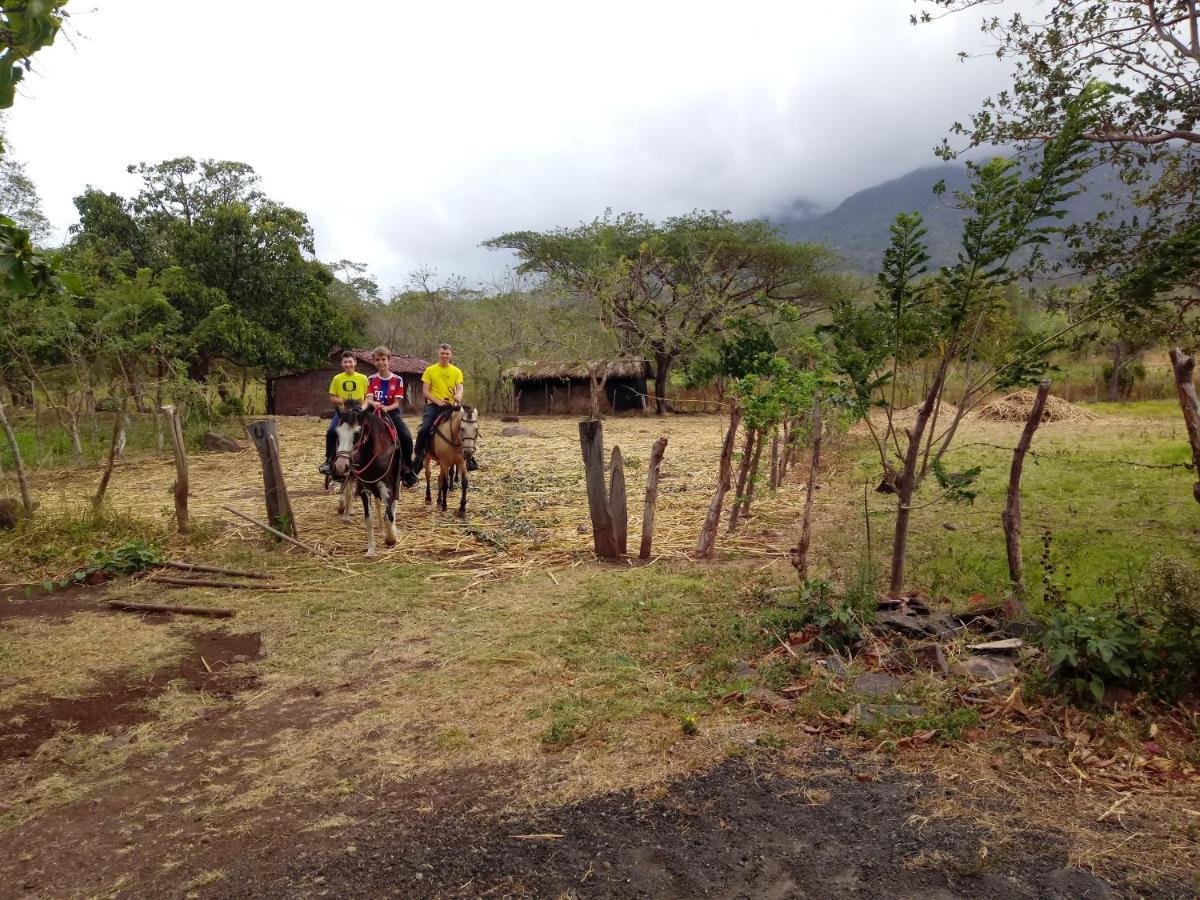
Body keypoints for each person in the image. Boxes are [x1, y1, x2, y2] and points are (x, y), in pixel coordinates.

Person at [412, 342, 471, 470]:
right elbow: (426, 392)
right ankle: (419, 456)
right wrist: (437, 401)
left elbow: (460, 387)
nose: (445, 356)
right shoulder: (430, 370)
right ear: (438, 354)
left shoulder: (456, 371)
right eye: (442, 353)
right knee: (425, 428)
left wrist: (459, 396)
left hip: (451, 406)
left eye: (447, 354)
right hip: (434, 406)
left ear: (451, 355)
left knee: (467, 426)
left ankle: (470, 458)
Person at [366, 346, 418, 488]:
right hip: (373, 413)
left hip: (391, 413)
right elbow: (369, 398)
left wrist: (386, 408)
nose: (381, 362)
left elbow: (396, 403)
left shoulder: (397, 380)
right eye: (378, 360)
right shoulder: (370, 379)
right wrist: (374, 403)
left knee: (406, 437)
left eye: (384, 359)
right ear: (374, 362)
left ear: (389, 361)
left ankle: (407, 469)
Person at [318, 351, 369, 476]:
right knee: (331, 431)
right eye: (345, 362)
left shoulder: (363, 378)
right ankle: (329, 460)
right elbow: (332, 398)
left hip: (359, 411)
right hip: (343, 412)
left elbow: (368, 397)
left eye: (350, 361)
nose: (348, 364)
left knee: (368, 432)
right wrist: (344, 401)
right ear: (341, 364)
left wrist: (363, 408)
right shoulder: (337, 378)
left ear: (355, 362)